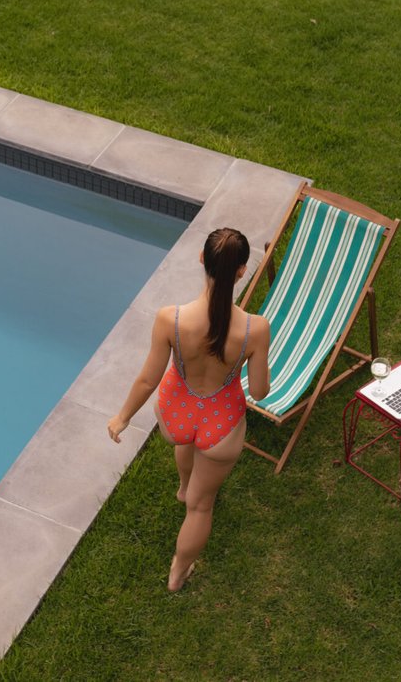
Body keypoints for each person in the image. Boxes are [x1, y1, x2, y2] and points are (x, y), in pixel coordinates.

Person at [107, 227, 272, 591]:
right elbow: (260, 392)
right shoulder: (256, 329)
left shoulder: (171, 318)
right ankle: (178, 573)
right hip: (221, 425)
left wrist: (122, 418)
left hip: (175, 415)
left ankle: (184, 487)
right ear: (242, 271)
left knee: (186, 441)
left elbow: (147, 380)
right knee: (201, 507)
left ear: (201, 259)